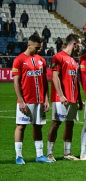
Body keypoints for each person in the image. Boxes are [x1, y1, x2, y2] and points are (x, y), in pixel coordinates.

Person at [12, 35, 52, 164]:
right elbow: (16, 82)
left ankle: (39, 155)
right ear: (29, 45)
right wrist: (21, 100)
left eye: (40, 47)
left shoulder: (41, 60)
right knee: (21, 127)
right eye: (37, 47)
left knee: (38, 126)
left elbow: (44, 82)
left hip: (39, 101)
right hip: (26, 101)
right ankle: (18, 156)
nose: (39, 50)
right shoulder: (19, 60)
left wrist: (46, 99)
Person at [47, 34, 83, 161]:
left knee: (70, 124)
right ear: (74, 44)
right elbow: (54, 77)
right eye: (79, 43)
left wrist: (79, 99)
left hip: (72, 98)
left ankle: (67, 153)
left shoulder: (74, 60)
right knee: (56, 123)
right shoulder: (58, 57)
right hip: (60, 98)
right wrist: (61, 95)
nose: (81, 45)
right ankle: (49, 153)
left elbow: (75, 81)